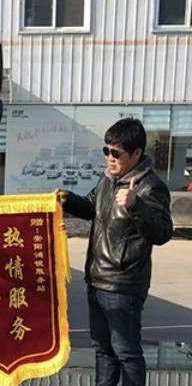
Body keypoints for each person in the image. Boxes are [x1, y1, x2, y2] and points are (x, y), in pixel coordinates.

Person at [59, 117, 173, 386]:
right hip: (96, 280)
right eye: (106, 150)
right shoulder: (109, 178)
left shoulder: (151, 187)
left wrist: (136, 206)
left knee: (126, 352)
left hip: (123, 286)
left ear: (136, 154)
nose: (110, 158)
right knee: (102, 349)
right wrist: (68, 200)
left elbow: (162, 232)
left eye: (116, 153)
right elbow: (91, 206)